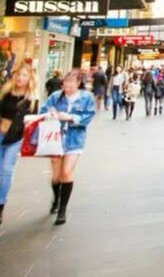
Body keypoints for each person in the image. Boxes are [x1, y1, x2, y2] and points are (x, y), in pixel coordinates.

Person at [40, 70, 96, 225]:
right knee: (56, 175)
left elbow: (89, 116)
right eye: (66, 82)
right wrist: (51, 113)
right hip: (55, 139)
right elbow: (43, 110)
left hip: (74, 139)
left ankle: (62, 210)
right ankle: (56, 199)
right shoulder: (55, 96)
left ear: (78, 83)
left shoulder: (86, 97)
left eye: (71, 82)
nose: (68, 86)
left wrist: (71, 117)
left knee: (66, 172)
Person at [0, 64, 38, 224]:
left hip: (15, 138)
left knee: (6, 170)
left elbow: (32, 122)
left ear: (30, 79)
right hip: (1, 133)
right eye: (18, 75)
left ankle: (0, 205)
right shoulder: (6, 93)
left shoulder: (31, 100)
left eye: (24, 75)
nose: (20, 78)